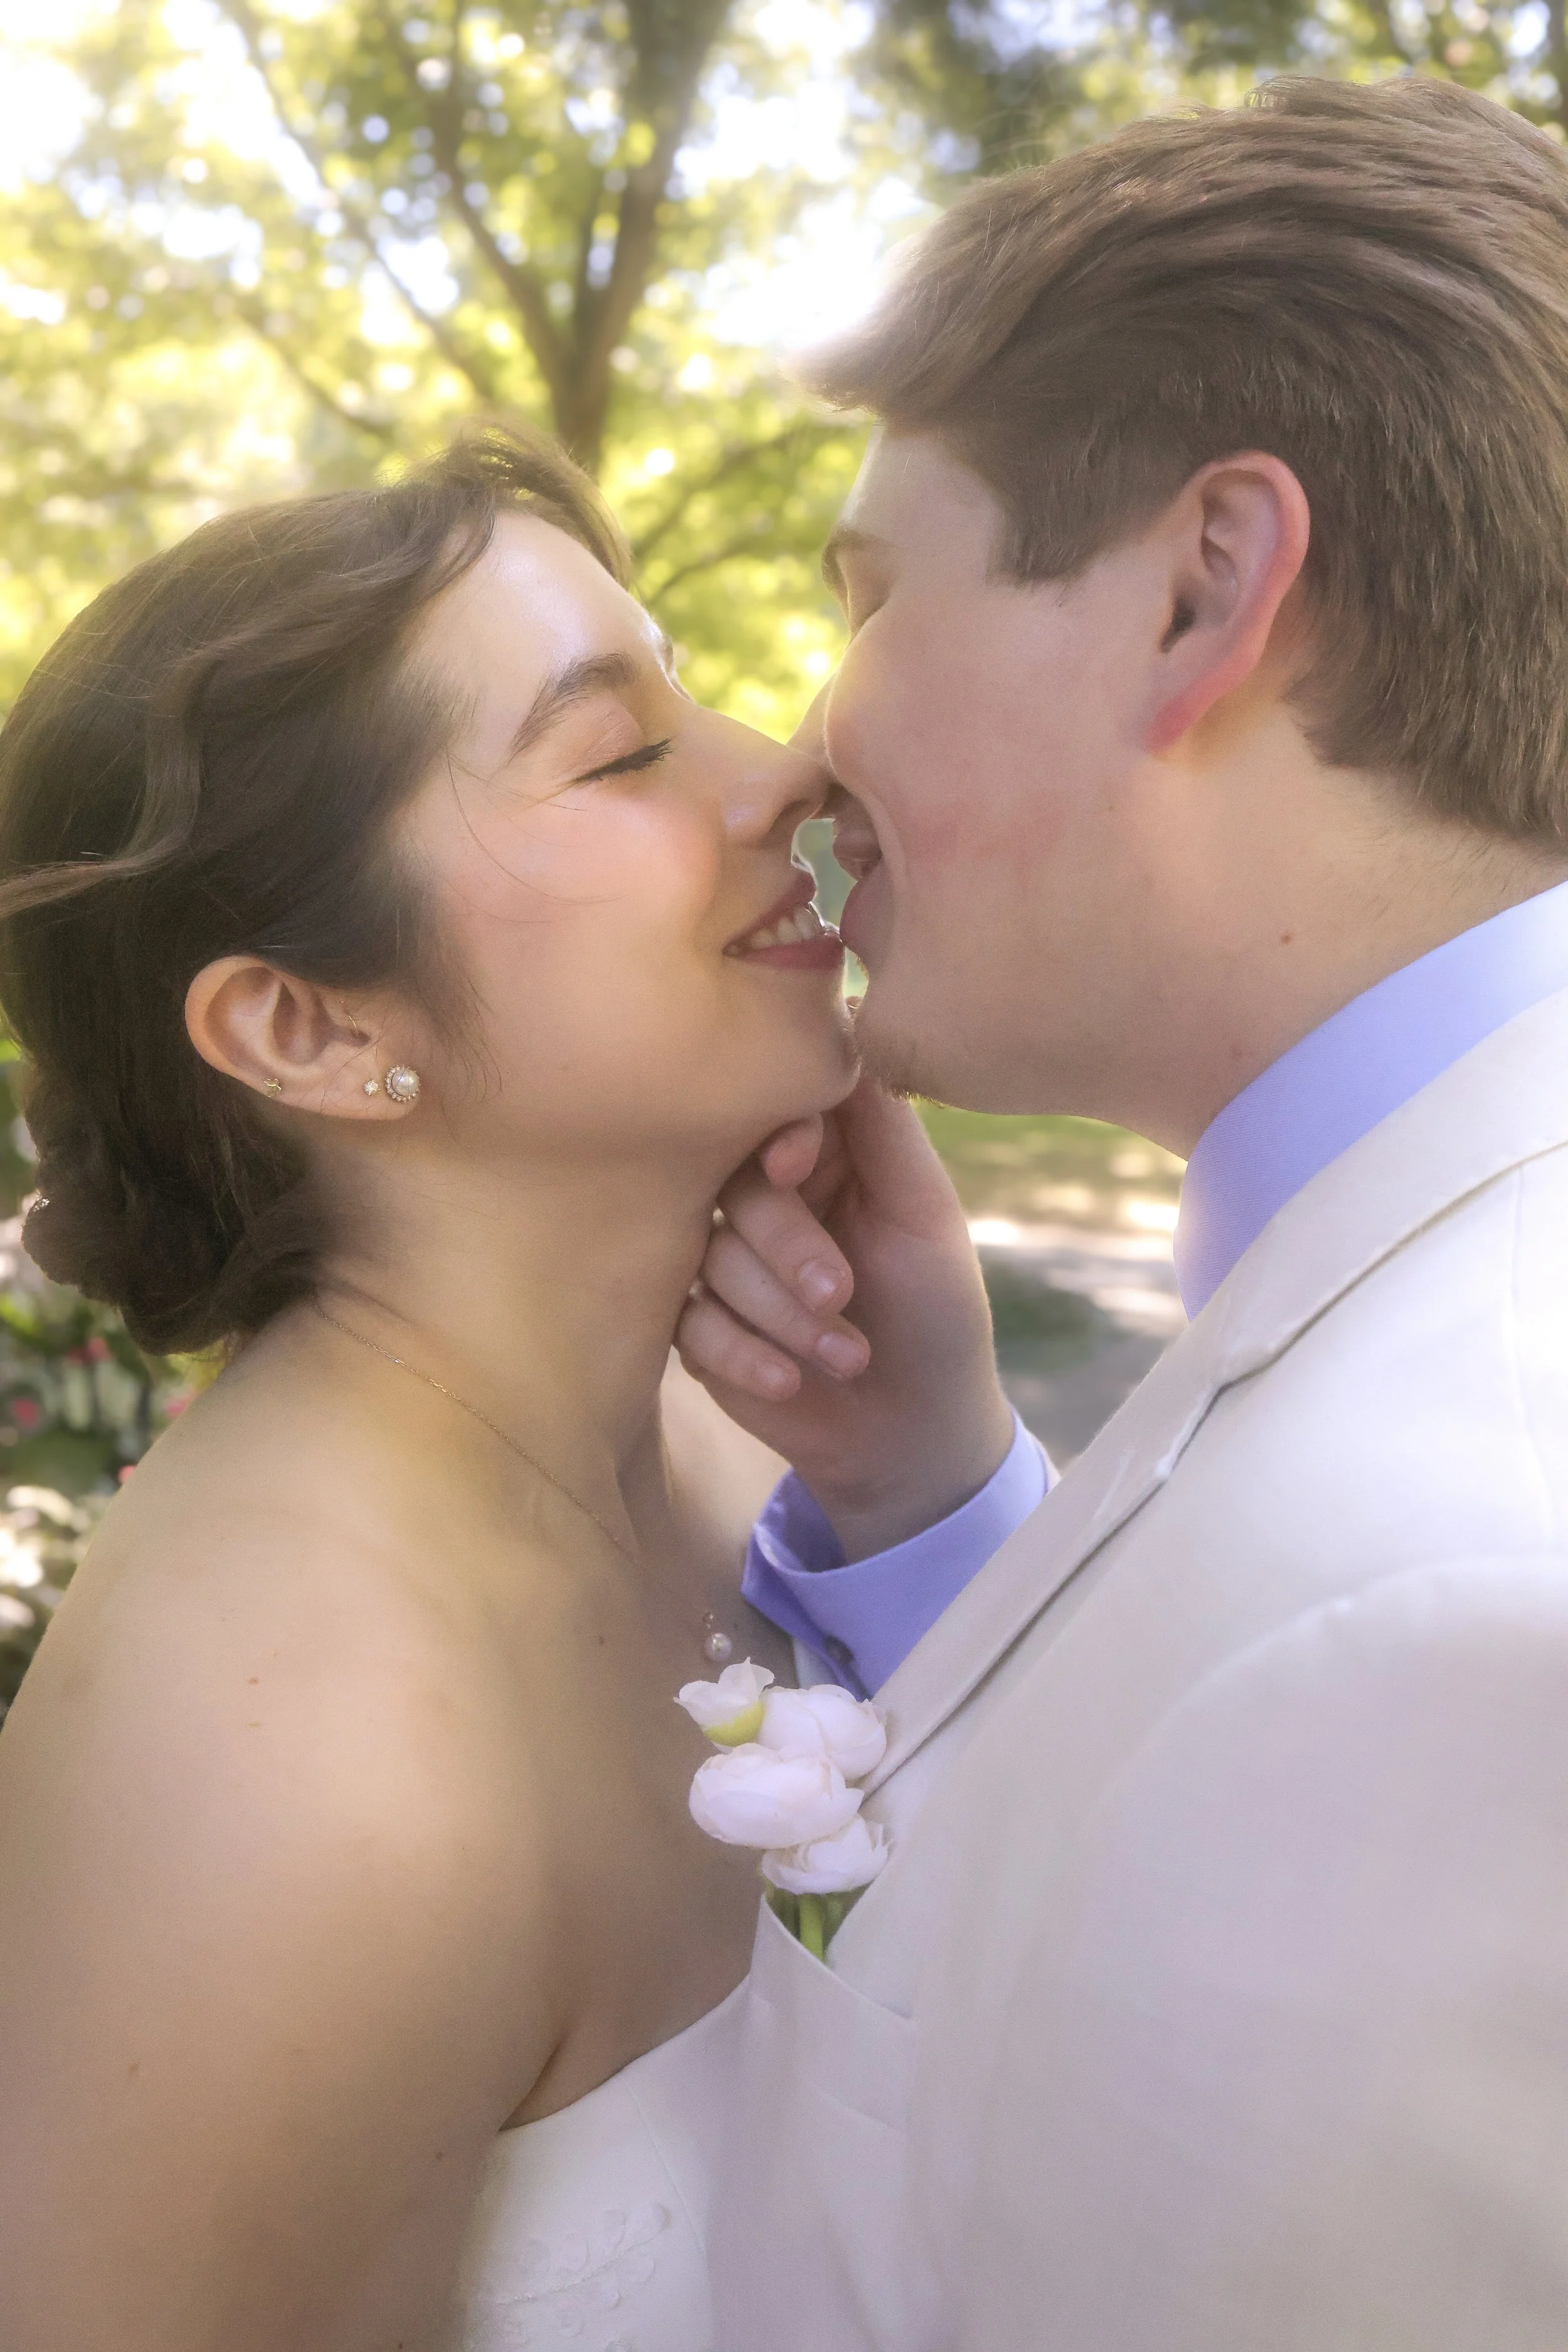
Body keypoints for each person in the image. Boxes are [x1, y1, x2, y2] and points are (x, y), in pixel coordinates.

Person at [674, 74, 1568, 2352]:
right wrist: (938, 1497)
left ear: (1202, 591)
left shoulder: (1459, 1621)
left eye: (869, 590)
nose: (799, 741)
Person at [0, 426, 1009, 2351]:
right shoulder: (283, 1764)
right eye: (618, 749)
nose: (789, 761)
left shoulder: (749, 1438)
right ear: (309, 1027)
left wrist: (933, 1473)